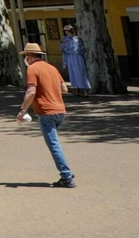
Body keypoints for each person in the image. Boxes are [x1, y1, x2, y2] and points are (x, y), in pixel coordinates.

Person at [17, 42, 75, 187]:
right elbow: (64, 89)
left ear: (29, 57)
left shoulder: (32, 69)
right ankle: (66, 173)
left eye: (26, 56)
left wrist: (23, 110)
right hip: (60, 110)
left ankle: (66, 176)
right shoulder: (52, 68)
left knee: (54, 145)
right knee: (55, 143)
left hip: (46, 111)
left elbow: (31, 91)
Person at [60, 24, 92, 96]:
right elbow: (83, 49)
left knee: (73, 73)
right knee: (81, 73)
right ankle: (84, 90)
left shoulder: (65, 39)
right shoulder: (78, 39)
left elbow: (63, 49)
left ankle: (77, 89)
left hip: (71, 57)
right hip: (79, 57)